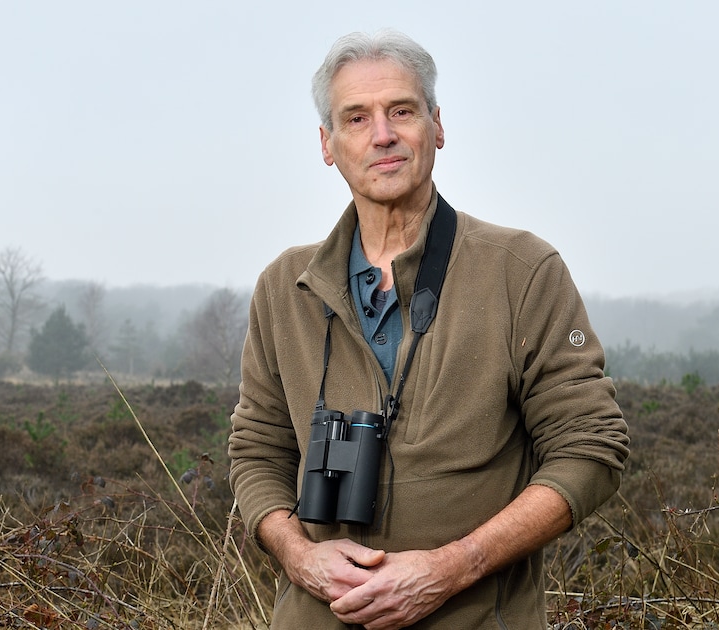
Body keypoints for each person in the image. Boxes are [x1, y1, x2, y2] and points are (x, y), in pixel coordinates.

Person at [228, 29, 630, 629]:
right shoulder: (286, 287)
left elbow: (591, 450)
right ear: (327, 144)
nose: (382, 135)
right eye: (356, 118)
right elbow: (257, 451)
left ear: (437, 127)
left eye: (402, 111)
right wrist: (299, 556)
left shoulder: (521, 271)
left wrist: (453, 567)